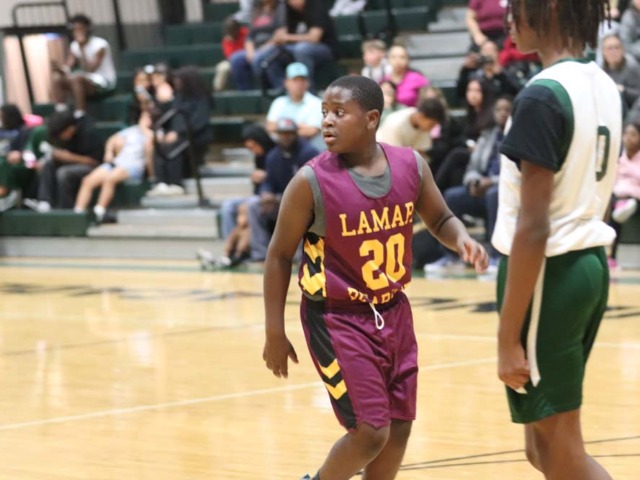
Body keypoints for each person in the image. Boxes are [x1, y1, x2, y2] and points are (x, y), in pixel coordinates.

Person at [262, 75, 488, 480]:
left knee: (399, 426)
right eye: (324, 112)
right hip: (337, 317)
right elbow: (278, 256)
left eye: (339, 112)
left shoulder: (411, 165)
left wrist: (462, 240)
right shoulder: (309, 182)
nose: (327, 121)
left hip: (394, 310)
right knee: (369, 433)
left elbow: (439, 218)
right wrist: (274, 332)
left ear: (371, 119)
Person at [493, 1, 621, 479]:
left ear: (547, 9)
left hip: (549, 268)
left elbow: (534, 226)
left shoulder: (542, 95)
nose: (508, 20)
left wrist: (507, 337)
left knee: (559, 444)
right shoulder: (602, 83)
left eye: (516, 8)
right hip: (586, 262)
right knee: (542, 448)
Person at [424, 96, 512, 273]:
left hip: (505, 192)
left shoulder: (518, 136)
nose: (502, 113)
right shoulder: (487, 135)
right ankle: (451, 256)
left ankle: (496, 257)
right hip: (482, 188)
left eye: (506, 110)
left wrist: (491, 182)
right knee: (452, 196)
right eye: (498, 110)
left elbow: (517, 173)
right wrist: (474, 182)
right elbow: (472, 166)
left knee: (493, 194)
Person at [197, 123, 276, 269]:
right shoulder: (258, 158)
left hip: (273, 196)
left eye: (253, 146)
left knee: (249, 207)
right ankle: (231, 250)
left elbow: (280, 181)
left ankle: (242, 252)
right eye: (249, 148)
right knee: (228, 206)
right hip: (258, 195)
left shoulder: (276, 154)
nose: (252, 150)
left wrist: (267, 176)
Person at [247, 117, 318, 262]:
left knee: (300, 207)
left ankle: (302, 255)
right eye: (282, 133)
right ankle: (260, 254)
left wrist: (282, 198)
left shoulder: (308, 152)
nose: (285, 137)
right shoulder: (273, 156)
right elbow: (269, 181)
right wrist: (266, 193)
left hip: (304, 201)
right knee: (254, 205)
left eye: (289, 133)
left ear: (296, 134)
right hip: (278, 200)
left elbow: (312, 185)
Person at [74, 109, 153, 222]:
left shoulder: (152, 134)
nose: (145, 120)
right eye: (144, 117)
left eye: (149, 118)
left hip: (133, 166)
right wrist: (109, 152)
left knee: (110, 179)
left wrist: (151, 175)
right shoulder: (131, 130)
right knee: (87, 181)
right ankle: (78, 214)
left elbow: (150, 153)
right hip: (117, 162)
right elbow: (112, 139)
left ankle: (99, 212)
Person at [24, 111, 103, 211]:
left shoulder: (87, 135)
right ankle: (45, 202)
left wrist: (70, 157)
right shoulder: (61, 139)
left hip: (92, 169)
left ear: (70, 129)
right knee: (48, 164)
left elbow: (94, 162)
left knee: (64, 172)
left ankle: (65, 209)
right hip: (68, 164)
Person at [51, 14, 116, 117]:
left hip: (104, 81)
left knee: (77, 78)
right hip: (86, 80)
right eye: (75, 30)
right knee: (58, 79)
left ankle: (80, 114)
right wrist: (59, 68)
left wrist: (82, 49)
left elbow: (90, 69)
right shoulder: (74, 45)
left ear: (88, 29)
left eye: (80, 29)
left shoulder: (100, 45)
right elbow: (68, 67)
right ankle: (61, 111)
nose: (77, 32)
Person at [266, 62, 324, 151]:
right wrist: (299, 126)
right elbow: (270, 127)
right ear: (286, 82)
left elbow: (311, 131)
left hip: (307, 148)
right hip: (281, 148)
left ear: (307, 83)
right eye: (295, 80)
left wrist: (283, 128)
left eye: (302, 80)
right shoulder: (279, 102)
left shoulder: (317, 103)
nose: (299, 84)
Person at [608, 121, 640, 268]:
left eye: (633, 134)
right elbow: (613, 180)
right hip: (618, 197)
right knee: (613, 207)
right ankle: (611, 256)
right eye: (626, 134)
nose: (628, 138)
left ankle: (627, 206)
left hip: (636, 197)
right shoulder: (619, 159)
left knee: (631, 203)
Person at [600, 33, 640, 109]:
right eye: (609, 48)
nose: (613, 52)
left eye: (616, 47)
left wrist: (624, 91)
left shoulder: (632, 69)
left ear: (622, 50)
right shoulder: (601, 72)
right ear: (603, 52)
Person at [383, 43, 429, 108]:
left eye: (402, 57)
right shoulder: (384, 81)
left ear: (408, 60)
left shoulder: (417, 78)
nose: (398, 61)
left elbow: (428, 101)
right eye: (393, 57)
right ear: (388, 59)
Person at [214, 17, 249, 92]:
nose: (231, 33)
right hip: (234, 62)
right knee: (222, 68)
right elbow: (230, 56)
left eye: (232, 30)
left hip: (250, 58)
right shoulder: (227, 39)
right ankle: (217, 91)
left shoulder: (246, 33)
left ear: (237, 29)